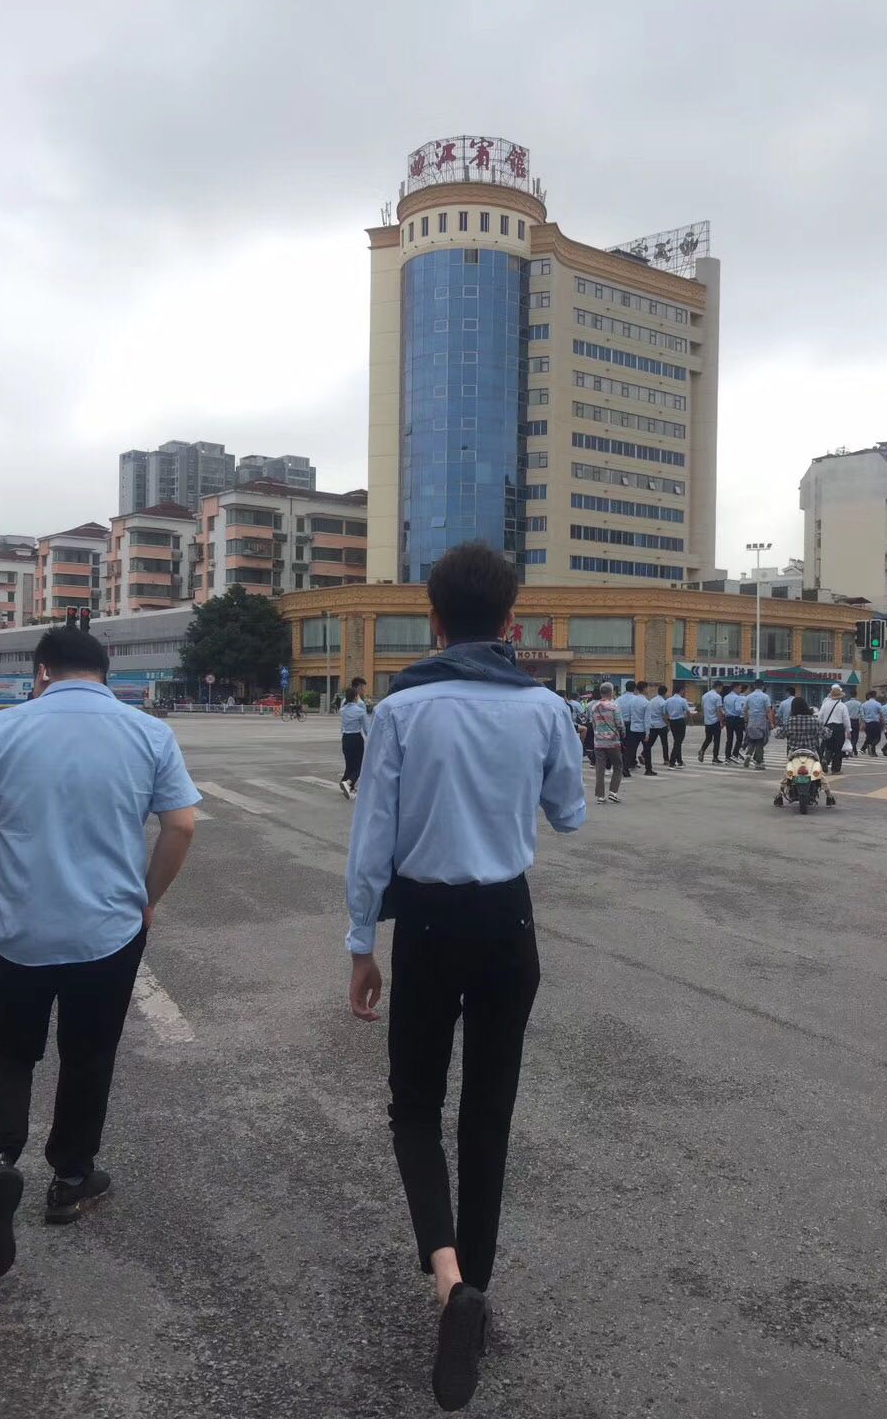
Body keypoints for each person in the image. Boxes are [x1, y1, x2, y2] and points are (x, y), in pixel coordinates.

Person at [344, 543, 585, 1412]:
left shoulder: (402, 709)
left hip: (428, 923)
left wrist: (361, 943)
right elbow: (571, 813)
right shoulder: (546, 708)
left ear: (433, 620)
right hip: (507, 922)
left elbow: (373, 839)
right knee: (489, 1113)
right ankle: (473, 1292)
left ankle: (446, 1276)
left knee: (414, 1106)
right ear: (511, 622)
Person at [0, 626, 199, 1282]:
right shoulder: (148, 734)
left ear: (41, 672)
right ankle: (71, 1179)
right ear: (104, 674)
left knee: (3, 1052)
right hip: (107, 932)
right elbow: (181, 824)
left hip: (16, 929)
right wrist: (147, 898)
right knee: (88, 1054)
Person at [774, 697, 836, 806]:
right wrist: (828, 730)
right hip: (811, 753)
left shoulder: (790, 721)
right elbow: (826, 734)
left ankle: (779, 796)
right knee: (820, 774)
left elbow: (779, 735)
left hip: (794, 753)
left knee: (787, 773)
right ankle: (829, 796)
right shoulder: (814, 721)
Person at [590, 683, 624, 803]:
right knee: (618, 766)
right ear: (611, 692)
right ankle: (613, 792)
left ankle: (600, 796)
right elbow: (620, 724)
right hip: (613, 741)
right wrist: (623, 734)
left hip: (599, 742)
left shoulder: (594, 707)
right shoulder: (614, 706)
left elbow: (593, 724)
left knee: (600, 769)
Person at [338, 683, 371, 798]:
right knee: (359, 765)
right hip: (356, 738)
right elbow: (366, 729)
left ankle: (347, 786)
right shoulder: (360, 711)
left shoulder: (342, 710)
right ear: (356, 697)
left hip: (345, 738)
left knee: (349, 763)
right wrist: (370, 739)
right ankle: (348, 783)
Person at [817, 684, 851, 775]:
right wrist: (848, 730)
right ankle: (836, 769)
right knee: (838, 749)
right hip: (839, 728)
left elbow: (820, 717)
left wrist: (821, 727)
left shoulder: (825, 704)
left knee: (827, 747)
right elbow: (846, 719)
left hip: (827, 727)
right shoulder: (842, 706)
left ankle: (825, 761)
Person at [742, 680, 775, 770]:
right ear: (762, 686)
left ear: (754, 686)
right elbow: (768, 711)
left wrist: (746, 721)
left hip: (751, 721)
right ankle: (758, 763)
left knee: (751, 740)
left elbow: (744, 710)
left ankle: (748, 755)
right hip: (761, 721)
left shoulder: (748, 697)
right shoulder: (765, 697)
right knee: (760, 742)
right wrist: (771, 722)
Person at [698, 680, 725, 764]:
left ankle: (702, 750)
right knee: (716, 740)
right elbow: (718, 710)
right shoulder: (717, 697)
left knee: (708, 738)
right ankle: (715, 757)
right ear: (718, 687)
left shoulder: (704, 696)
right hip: (715, 721)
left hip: (707, 721)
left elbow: (702, 708)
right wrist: (721, 722)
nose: (721, 690)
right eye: (721, 688)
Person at [664, 683, 690, 767]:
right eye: (684, 690)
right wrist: (690, 721)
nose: (684, 691)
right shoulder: (682, 700)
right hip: (680, 721)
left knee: (677, 741)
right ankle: (672, 762)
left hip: (672, 721)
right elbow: (687, 711)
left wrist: (668, 722)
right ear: (681, 690)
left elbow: (665, 713)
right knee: (678, 742)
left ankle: (679, 761)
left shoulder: (668, 700)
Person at [644, 684, 670, 770]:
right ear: (665, 693)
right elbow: (664, 715)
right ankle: (666, 759)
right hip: (662, 725)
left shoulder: (652, 700)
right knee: (664, 743)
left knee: (650, 742)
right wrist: (668, 724)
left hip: (652, 725)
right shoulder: (663, 702)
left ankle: (643, 754)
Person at [629, 680, 652, 774]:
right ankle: (648, 769)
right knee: (647, 749)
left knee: (631, 749)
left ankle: (626, 769)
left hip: (633, 728)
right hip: (642, 729)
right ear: (644, 689)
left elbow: (630, 715)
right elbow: (647, 720)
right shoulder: (646, 702)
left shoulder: (632, 701)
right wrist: (647, 733)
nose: (648, 690)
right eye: (647, 688)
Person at [617, 680, 638, 777]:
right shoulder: (636, 699)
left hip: (620, 723)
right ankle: (629, 763)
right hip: (631, 724)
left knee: (622, 745)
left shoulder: (618, 699)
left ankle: (621, 762)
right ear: (634, 688)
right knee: (631, 746)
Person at [860, 691, 883, 756]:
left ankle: (871, 751)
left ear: (869, 696)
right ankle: (871, 746)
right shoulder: (878, 704)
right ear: (875, 696)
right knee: (877, 738)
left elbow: (862, 715)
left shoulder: (864, 704)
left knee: (869, 737)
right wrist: (883, 723)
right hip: (876, 722)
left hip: (867, 723)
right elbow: (881, 714)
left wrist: (863, 723)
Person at [845, 691, 862, 758]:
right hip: (855, 721)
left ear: (850, 695)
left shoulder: (846, 704)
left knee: (849, 736)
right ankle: (853, 749)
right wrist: (861, 723)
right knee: (855, 737)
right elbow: (861, 714)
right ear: (856, 695)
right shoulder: (859, 704)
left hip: (848, 721)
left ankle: (852, 750)